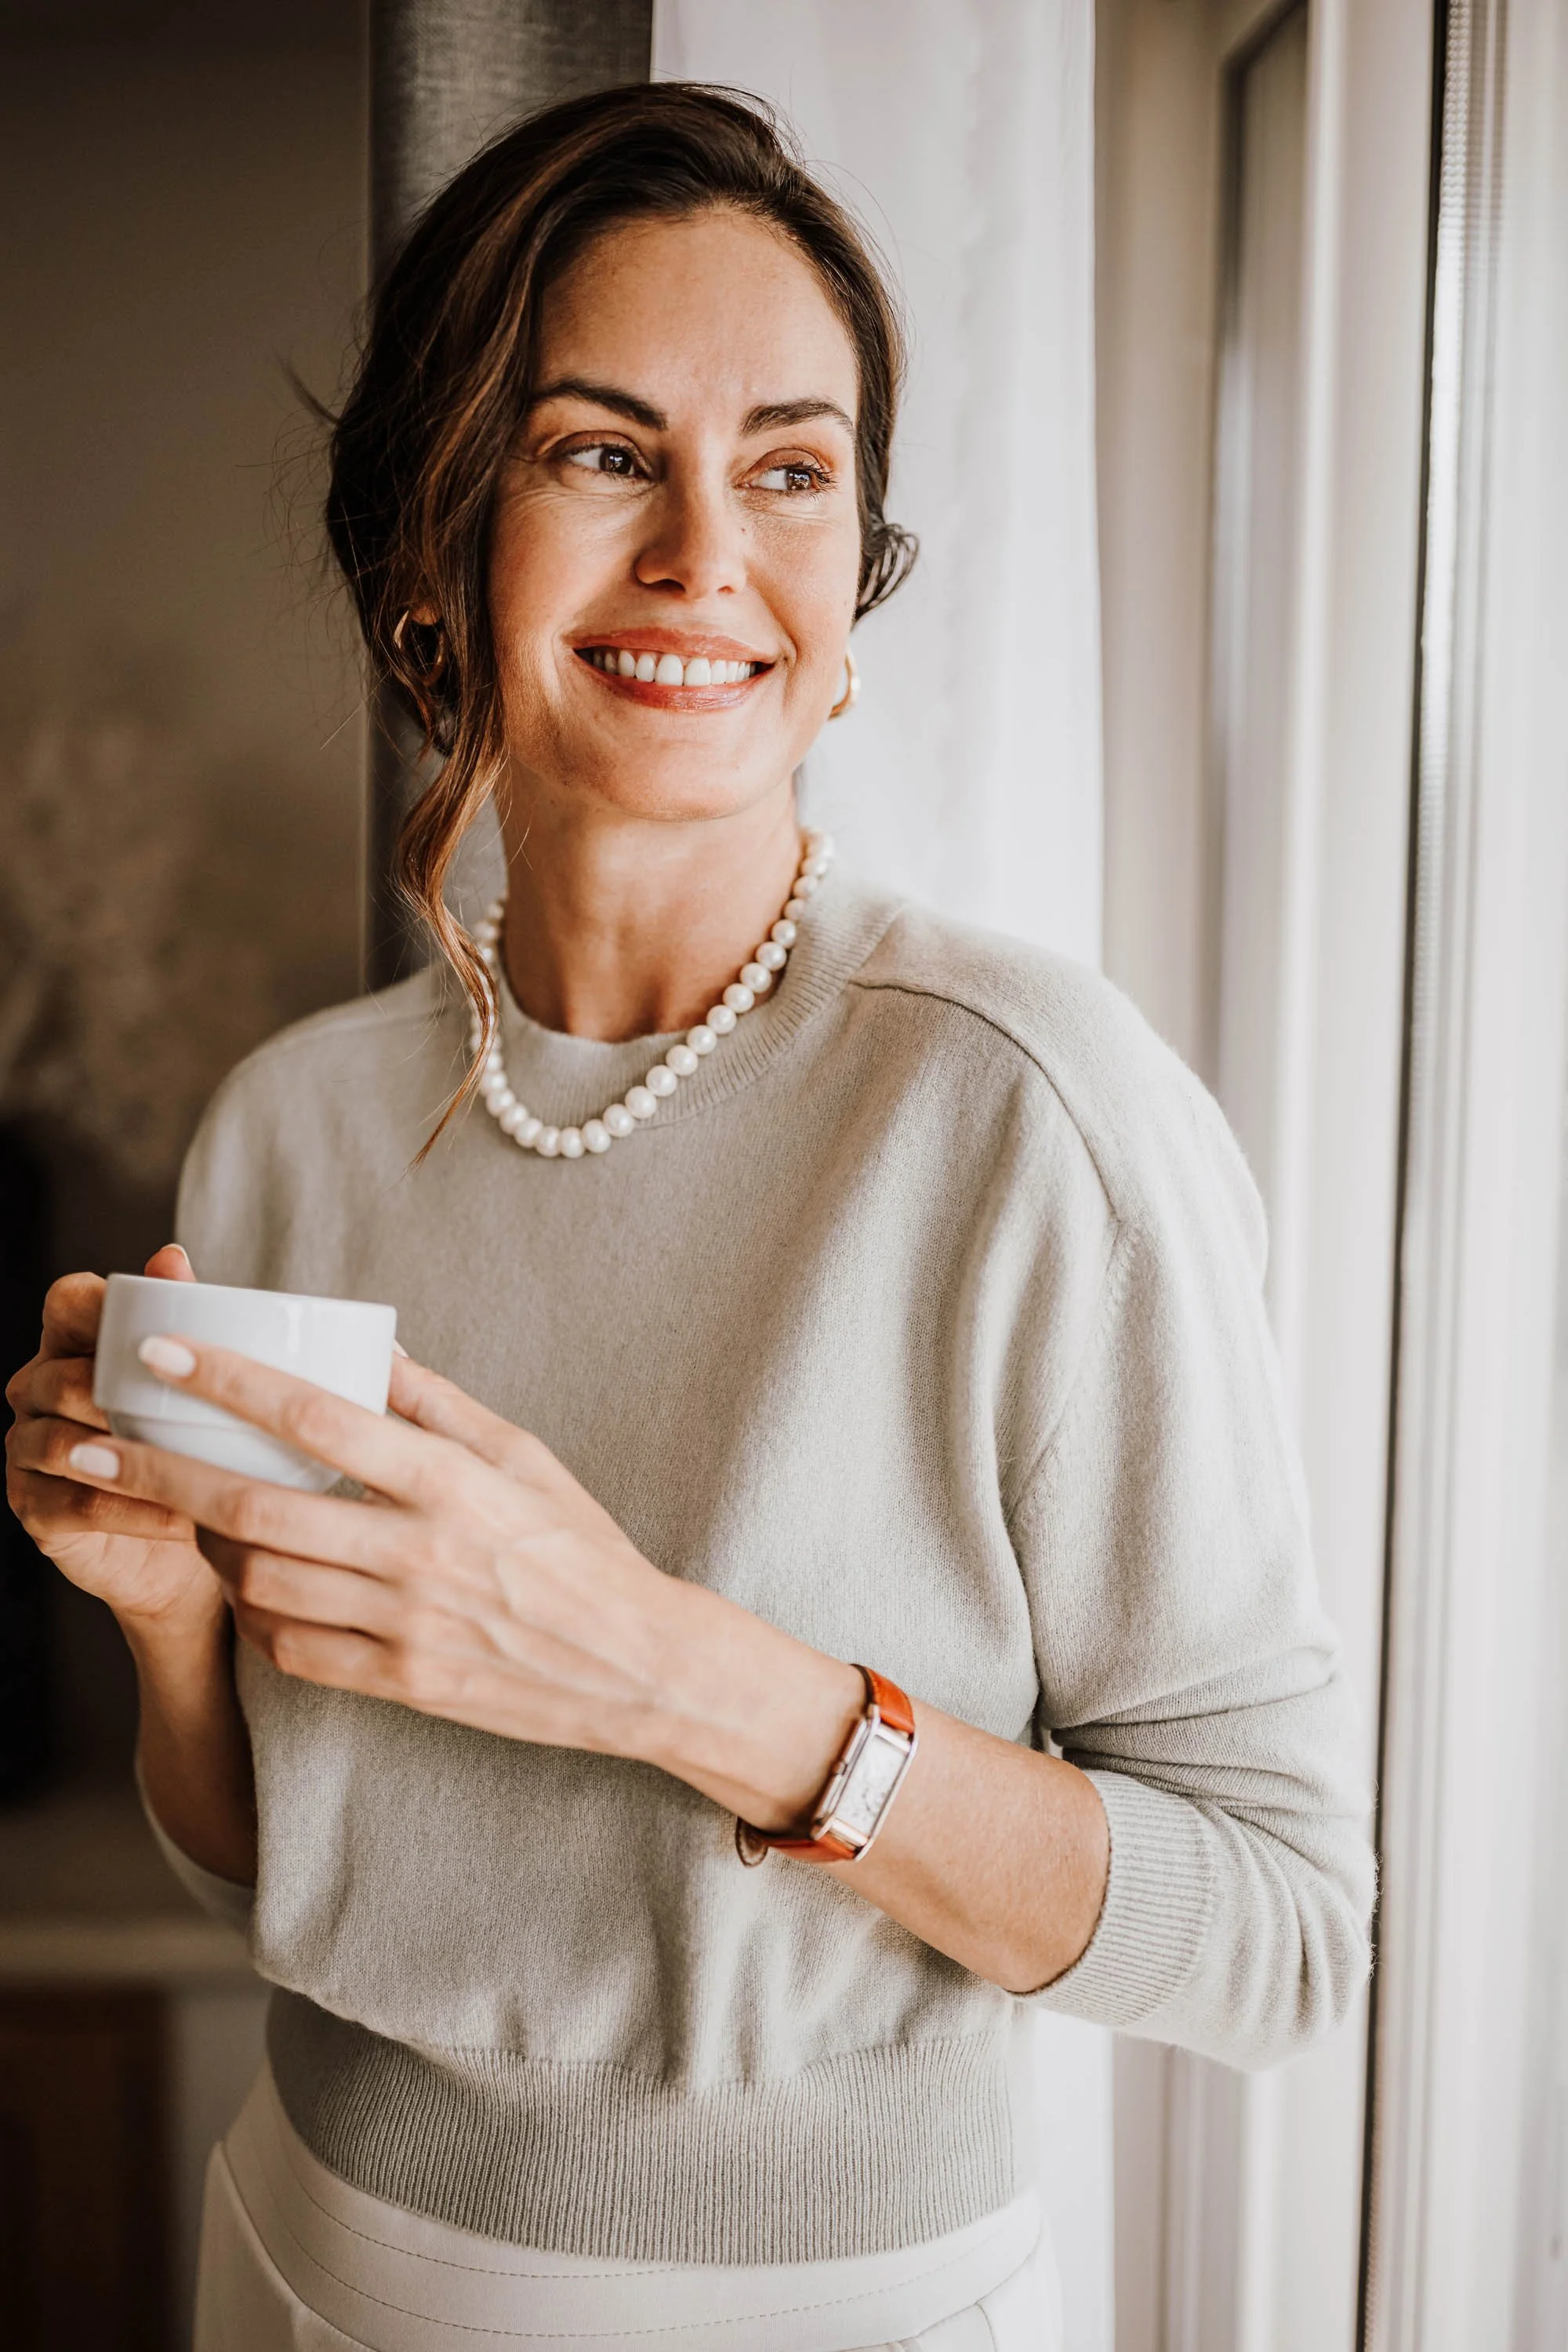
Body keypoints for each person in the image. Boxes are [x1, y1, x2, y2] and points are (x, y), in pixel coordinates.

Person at [4, 85, 1373, 2352]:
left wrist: (661, 1671)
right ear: (437, 545)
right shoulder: (292, 1126)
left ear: (850, 605)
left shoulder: (1032, 1115)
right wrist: (164, 1622)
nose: (704, 559)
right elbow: (281, 1866)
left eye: (793, 469)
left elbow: (1280, 1938)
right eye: (602, 451)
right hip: (296, 2259)